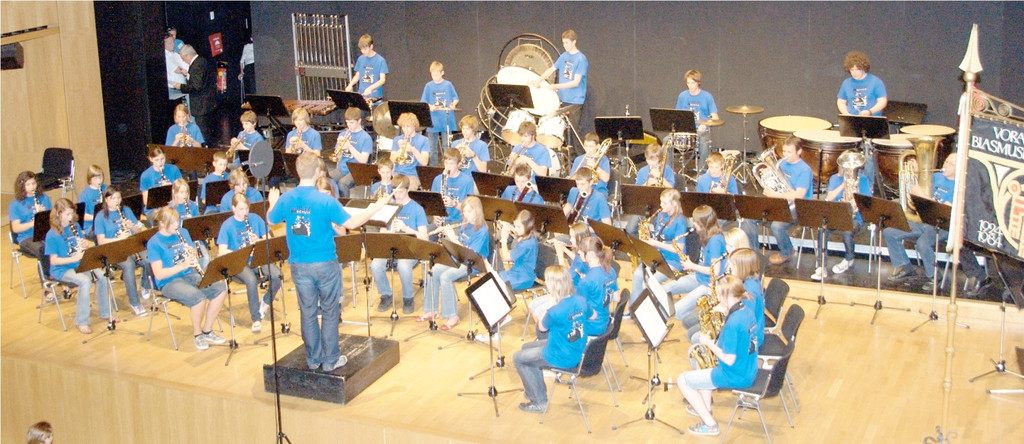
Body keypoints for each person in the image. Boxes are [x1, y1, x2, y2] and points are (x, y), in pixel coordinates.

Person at [267, 151, 392, 371]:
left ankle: (313, 359)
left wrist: (272, 202)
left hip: (299, 264)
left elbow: (271, 219)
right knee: (329, 311)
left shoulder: (287, 198)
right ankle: (330, 360)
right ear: (317, 172)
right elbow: (352, 223)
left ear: (297, 171)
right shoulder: (325, 200)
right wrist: (377, 206)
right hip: (325, 262)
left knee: (307, 312)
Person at [883, 154, 985, 292]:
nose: (945, 165)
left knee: (923, 244)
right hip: (924, 221)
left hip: (944, 226)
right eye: (946, 161)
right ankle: (906, 268)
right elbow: (917, 194)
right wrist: (916, 172)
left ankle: (935, 277)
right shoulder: (936, 176)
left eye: (950, 164)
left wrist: (921, 194)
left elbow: (944, 211)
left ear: (960, 169)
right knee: (890, 232)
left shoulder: (961, 187)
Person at [676, 274, 758, 436]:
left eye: (719, 294)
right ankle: (705, 408)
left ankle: (710, 424)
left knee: (682, 380)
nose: (717, 298)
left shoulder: (734, 323)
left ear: (727, 296)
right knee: (702, 363)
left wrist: (709, 343)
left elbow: (729, 359)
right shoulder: (746, 311)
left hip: (734, 374)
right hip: (749, 367)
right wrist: (726, 312)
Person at [147, 206, 228, 350]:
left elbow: (193, 256)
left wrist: (193, 254)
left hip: (189, 275)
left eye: (177, 221)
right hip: (168, 281)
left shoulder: (183, 232)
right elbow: (159, 274)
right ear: (162, 224)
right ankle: (197, 334)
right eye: (173, 223)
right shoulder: (154, 242)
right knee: (198, 298)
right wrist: (182, 266)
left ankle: (207, 330)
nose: (177, 225)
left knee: (220, 289)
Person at [514, 265, 589, 413]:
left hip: (561, 355)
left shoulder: (555, 310)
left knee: (517, 358)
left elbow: (541, 328)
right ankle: (533, 390)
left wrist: (550, 304)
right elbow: (592, 316)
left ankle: (539, 401)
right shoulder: (580, 300)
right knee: (526, 348)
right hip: (575, 348)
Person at [216, 194, 283, 333]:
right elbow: (222, 251)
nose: (245, 212)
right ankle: (256, 318)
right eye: (241, 209)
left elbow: (269, 240)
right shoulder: (227, 225)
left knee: (278, 276)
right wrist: (241, 251)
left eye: (246, 208)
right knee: (251, 281)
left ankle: (265, 301)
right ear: (233, 208)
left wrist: (258, 241)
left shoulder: (255, 219)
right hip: (239, 262)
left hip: (257, 258)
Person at [422, 196, 489, 330]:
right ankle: (431, 309)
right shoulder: (466, 225)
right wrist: (450, 237)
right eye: (464, 212)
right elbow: (461, 244)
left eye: (469, 211)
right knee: (433, 271)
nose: (465, 214)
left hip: (473, 263)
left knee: (446, 277)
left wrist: (452, 238)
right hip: (459, 258)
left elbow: (469, 254)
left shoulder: (482, 231)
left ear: (477, 212)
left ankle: (453, 316)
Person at [45, 198, 111, 334]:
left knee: (102, 276)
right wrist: (73, 258)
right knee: (85, 281)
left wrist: (84, 245)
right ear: (58, 214)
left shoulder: (75, 226)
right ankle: (81, 321)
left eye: (72, 214)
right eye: (67, 214)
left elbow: (82, 246)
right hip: (62, 269)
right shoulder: (51, 235)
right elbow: (54, 261)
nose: (70, 217)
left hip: (79, 264)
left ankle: (105, 312)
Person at [371, 175, 429, 314]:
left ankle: (408, 298)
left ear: (407, 190)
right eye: (394, 191)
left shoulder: (417, 209)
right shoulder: (389, 207)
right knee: (375, 265)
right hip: (391, 246)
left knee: (403, 266)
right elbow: (382, 232)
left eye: (401, 192)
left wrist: (405, 229)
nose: (397, 195)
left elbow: (425, 237)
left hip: (411, 249)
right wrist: (389, 232)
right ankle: (386, 295)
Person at [684, 247, 764, 347]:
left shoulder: (750, 292)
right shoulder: (744, 281)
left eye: (733, 265)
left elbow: (744, 320)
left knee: (695, 337)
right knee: (690, 331)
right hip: (735, 324)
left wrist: (725, 310)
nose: (729, 268)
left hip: (747, 337)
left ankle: (714, 354)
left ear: (742, 267)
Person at [811, 153, 872, 281]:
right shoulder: (835, 178)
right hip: (836, 216)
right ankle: (821, 265)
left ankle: (849, 259)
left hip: (856, 218)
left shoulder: (863, 179)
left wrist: (855, 190)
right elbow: (829, 198)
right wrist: (843, 185)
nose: (848, 168)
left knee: (847, 230)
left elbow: (867, 203)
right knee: (822, 229)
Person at [94, 186, 151, 316]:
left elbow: (138, 231)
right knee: (129, 265)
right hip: (113, 249)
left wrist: (133, 227)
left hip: (131, 245)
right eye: (113, 198)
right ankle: (135, 303)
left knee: (149, 258)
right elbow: (101, 242)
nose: (117, 201)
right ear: (106, 199)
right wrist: (119, 238)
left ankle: (145, 284)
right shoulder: (100, 217)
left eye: (118, 198)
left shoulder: (126, 210)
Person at [630, 189, 689, 303]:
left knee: (648, 283)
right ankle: (633, 308)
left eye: (664, 203)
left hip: (672, 261)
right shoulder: (662, 215)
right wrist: (648, 231)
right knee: (637, 275)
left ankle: (648, 309)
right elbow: (658, 233)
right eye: (661, 202)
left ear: (674, 204)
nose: (661, 205)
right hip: (657, 256)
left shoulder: (680, 221)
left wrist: (656, 243)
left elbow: (678, 249)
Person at [668, 205, 727, 318]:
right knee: (665, 290)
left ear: (704, 223)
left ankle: (705, 318)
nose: (693, 224)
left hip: (708, 284)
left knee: (676, 311)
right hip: (698, 277)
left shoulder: (715, 240)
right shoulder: (705, 234)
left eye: (696, 222)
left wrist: (691, 265)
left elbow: (715, 271)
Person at [765, 136, 813, 265]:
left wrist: (774, 195)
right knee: (750, 217)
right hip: (782, 202)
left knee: (777, 226)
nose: (785, 155)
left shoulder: (804, 170)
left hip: (800, 207)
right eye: (784, 151)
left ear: (799, 151)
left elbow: (798, 196)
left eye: (789, 152)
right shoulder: (781, 164)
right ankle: (752, 252)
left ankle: (786, 252)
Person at [535, 29, 588, 131]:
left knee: (574, 131)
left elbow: (576, 82)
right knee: (562, 130)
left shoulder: (581, 59)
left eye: (567, 43)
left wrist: (556, 86)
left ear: (574, 42)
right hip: (563, 99)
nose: (564, 45)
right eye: (563, 42)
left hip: (575, 101)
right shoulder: (564, 56)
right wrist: (538, 80)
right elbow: (551, 69)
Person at [10, 172, 53, 284]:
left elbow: (53, 220)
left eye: (33, 183)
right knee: (43, 249)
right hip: (27, 238)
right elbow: (15, 228)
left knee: (58, 242)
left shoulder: (43, 198)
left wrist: (44, 214)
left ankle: (64, 278)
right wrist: (33, 223)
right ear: (22, 186)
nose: (32, 187)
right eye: (28, 185)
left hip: (44, 233)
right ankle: (48, 283)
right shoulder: (16, 204)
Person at [173, 45, 218, 145]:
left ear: (188, 55)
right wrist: (187, 75)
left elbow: (196, 86)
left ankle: (204, 150)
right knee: (207, 131)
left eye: (183, 58)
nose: (183, 61)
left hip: (201, 104)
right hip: (206, 102)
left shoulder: (197, 65)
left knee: (203, 132)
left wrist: (181, 86)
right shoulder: (201, 61)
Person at [676, 69, 720, 170]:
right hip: (686, 130)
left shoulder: (707, 96)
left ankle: (702, 172)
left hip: (702, 131)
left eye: (693, 83)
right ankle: (669, 171)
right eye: (688, 83)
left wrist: (705, 124)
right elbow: (677, 115)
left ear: (698, 82)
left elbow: (715, 117)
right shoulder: (682, 96)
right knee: (666, 141)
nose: (690, 85)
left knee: (704, 144)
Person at [576, 236, 617, 335]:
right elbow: (616, 297)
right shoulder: (610, 270)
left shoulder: (586, 281)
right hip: (604, 321)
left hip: (591, 326)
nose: (578, 252)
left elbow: (578, 310)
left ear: (590, 255)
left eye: (581, 251)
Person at [421, 61, 460, 162]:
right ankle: (433, 166)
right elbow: (424, 102)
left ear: (442, 73)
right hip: (433, 120)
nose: (434, 77)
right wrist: (430, 106)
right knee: (432, 147)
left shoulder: (448, 85)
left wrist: (453, 104)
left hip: (446, 119)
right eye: (432, 75)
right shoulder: (428, 86)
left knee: (446, 145)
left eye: (436, 75)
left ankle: (448, 165)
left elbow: (455, 98)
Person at [331, 107, 373, 198]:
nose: (349, 125)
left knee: (342, 184)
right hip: (342, 168)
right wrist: (339, 149)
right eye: (347, 122)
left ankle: (345, 204)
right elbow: (337, 159)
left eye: (352, 123)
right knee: (327, 180)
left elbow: (363, 161)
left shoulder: (366, 138)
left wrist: (349, 146)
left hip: (357, 170)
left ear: (359, 121)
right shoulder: (342, 134)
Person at [497, 209, 540, 292]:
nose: (516, 229)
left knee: (497, 284)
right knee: (494, 279)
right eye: (515, 226)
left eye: (519, 227)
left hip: (523, 278)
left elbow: (506, 257)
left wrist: (504, 239)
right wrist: (510, 227)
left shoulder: (525, 244)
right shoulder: (530, 238)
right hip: (518, 273)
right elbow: (518, 232)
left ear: (527, 226)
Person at [431, 148, 475, 227]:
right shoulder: (438, 179)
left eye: (451, 164)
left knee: (449, 236)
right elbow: (432, 204)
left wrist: (454, 203)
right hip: (442, 220)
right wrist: (435, 216)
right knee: (423, 234)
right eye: (446, 163)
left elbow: (470, 209)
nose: (448, 167)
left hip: (459, 221)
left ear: (459, 165)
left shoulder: (467, 181)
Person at [836, 51, 887, 116]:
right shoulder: (846, 83)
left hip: (871, 119)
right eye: (852, 70)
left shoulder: (875, 81)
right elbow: (841, 101)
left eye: (857, 69)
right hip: (852, 119)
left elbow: (882, 101)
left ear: (863, 68)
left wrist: (870, 111)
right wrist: (846, 114)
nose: (854, 73)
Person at [139, 146, 184, 216]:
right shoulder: (146, 175)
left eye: (162, 159)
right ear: (151, 159)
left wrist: (172, 187)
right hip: (155, 209)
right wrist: (161, 191)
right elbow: (146, 201)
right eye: (156, 160)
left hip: (173, 204)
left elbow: (183, 189)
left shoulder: (173, 169)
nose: (160, 163)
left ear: (165, 156)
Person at [391, 112, 431, 190]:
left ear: (414, 126)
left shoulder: (424, 140)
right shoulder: (397, 139)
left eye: (408, 126)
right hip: (397, 173)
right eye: (403, 126)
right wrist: (400, 149)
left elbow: (424, 162)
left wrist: (412, 149)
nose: (405, 129)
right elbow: (391, 160)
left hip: (413, 175)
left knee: (406, 192)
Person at [345, 34, 388, 103]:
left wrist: (371, 88)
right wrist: (350, 84)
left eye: (365, 49)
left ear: (371, 46)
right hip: (361, 98)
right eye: (361, 49)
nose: (363, 51)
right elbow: (357, 75)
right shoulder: (360, 59)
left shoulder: (380, 60)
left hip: (375, 98)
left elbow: (382, 80)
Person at [78, 165, 107, 235]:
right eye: (95, 178)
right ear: (90, 179)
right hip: (91, 226)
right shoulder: (85, 194)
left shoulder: (106, 188)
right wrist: (96, 218)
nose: (99, 180)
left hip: (106, 221)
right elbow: (82, 215)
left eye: (100, 177)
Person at [164, 32, 188, 102]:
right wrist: (183, 70)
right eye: (170, 43)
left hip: (181, 87)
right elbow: (177, 70)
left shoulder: (174, 54)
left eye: (173, 42)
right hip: (174, 89)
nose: (173, 45)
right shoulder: (165, 56)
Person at [239, 34, 255, 99]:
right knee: (251, 84)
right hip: (249, 66)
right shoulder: (247, 46)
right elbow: (241, 61)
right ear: (251, 39)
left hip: (256, 66)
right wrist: (241, 72)